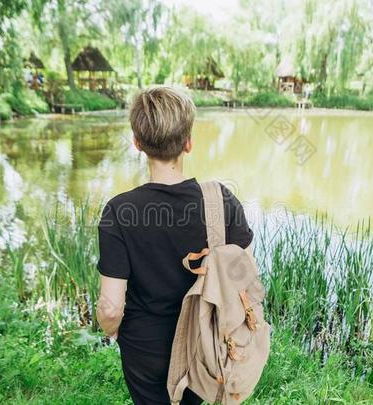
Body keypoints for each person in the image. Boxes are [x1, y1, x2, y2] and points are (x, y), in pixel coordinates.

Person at [96, 86, 254, 405]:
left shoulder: (118, 211)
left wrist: (112, 331)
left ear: (137, 142)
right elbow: (246, 281)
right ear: (189, 142)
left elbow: (111, 307)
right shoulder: (220, 200)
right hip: (204, 341)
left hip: (144, 349)